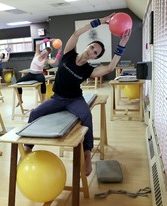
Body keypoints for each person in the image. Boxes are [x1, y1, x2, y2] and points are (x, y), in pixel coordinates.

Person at [24, 13, 131, 176]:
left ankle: (87, 153)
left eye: (95, 53)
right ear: (87, 46)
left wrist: (122, 43)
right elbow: (76, 34)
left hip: (74, 100)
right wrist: (99, 22)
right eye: (92, 48)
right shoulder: (68, 54)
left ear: (95, 57)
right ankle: (26, 150)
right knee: (35, 113)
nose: (92, 52)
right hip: (57, 98)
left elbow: (109, 68)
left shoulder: (89, 70)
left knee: (86, 116)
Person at [16, 38, 61, 106]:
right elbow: (37, 44)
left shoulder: (46, 60)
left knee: (42, 80)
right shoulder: (36, 54)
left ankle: (43, 99)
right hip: (31, 74)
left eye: (45, 53)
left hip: (38, 75)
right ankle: (20, 100)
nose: (43, 53)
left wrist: (59, 52)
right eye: (43, 51)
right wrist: (48, 40)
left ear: (47, 54)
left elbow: (55, 62)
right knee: (17, 82)